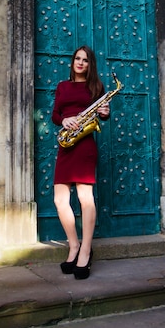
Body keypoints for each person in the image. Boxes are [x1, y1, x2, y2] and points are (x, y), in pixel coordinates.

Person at [51, 45, 110, 280]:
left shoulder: (96, 87)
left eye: (85, 60)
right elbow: (55, 114)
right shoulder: (62, 87)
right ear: (72, 61)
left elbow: (103, 114)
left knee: (85, 199)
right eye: (77, 58)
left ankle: (86, 251)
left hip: (85, 146)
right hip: (67, 144)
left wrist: (104, 112)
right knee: (59, 200)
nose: (81, 62)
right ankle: (73, 245)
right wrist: (64, 119)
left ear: (90, 64)